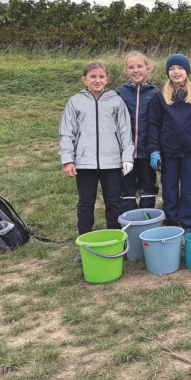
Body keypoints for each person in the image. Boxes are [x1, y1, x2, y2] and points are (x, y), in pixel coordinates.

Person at [59, 61, 134, 245]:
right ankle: (84, 241)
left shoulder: (116, 100)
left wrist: (127, 157)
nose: (97, 80)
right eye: (93, 77)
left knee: (114, 202)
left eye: (101, 77)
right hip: (85, 164)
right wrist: (68, 160)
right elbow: (67, 132)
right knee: (86, 203)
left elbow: (125, 131)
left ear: (107, 79)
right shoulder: (75, 102)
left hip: (112, 163)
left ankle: (116, 239)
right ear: (85, 80)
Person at [148, 54, 191, 232]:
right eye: (172, 69)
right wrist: (154, 150)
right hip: (168, 153)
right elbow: (153, 124)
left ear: (187, 71)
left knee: (190, 189)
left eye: (180, 68)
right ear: (168, 72)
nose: (176, 72)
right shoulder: (159, 97)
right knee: (169, 189)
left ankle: (189, 223)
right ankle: (172, 222)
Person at [115, 52, 160, 213]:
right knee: (126, 189)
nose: (136, 70)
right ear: (126, 70)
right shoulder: (119, 93)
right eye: (131, 67)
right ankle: (130, 223)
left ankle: (146, 222)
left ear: (148, 68)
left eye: (140, 66)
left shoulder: (156, 94)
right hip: (124, 152)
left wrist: (156, 149)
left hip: (147, 151)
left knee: (148, 188)